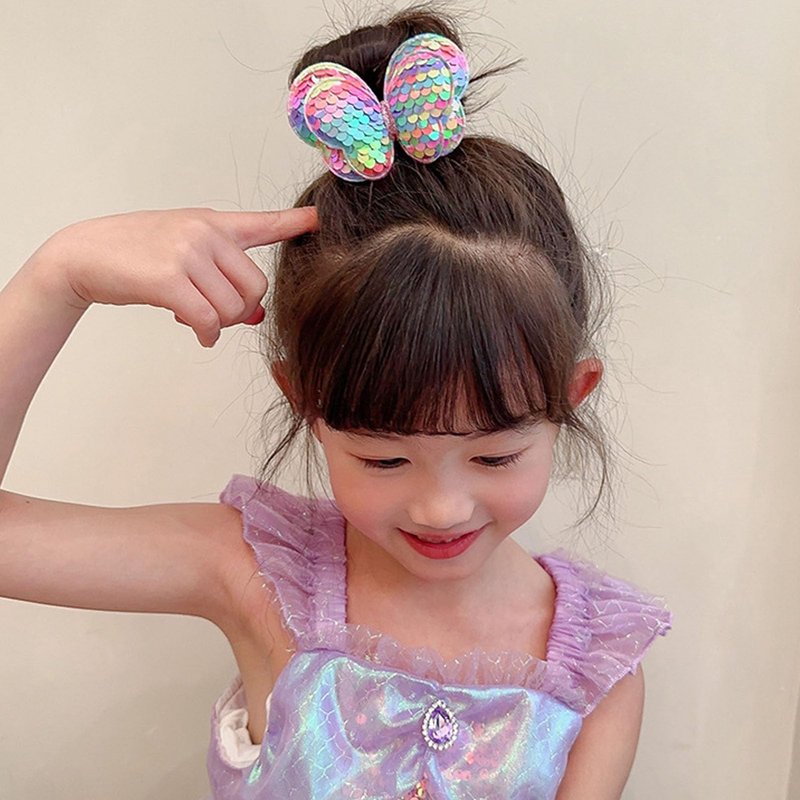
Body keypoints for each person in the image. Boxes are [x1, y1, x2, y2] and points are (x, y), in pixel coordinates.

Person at [0, 6, 673, 799]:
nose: (441, 508)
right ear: (304, 401)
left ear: (571, 396)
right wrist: (59, 275)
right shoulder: (254, 573)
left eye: (495, 456)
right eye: (384, 459)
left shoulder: (598, 669)